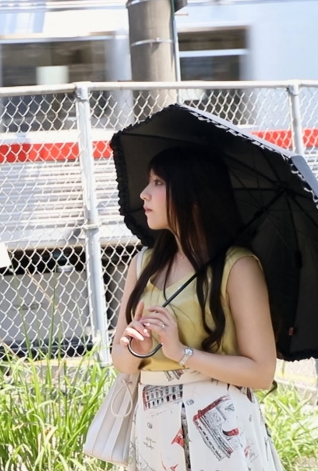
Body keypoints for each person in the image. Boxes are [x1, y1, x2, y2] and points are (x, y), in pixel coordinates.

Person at [110, 146, 284, 471]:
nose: (144, 193)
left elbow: (261, 373)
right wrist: (137, 350)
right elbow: (120, 359)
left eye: (158, 182)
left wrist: (181, 353)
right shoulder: (143, 263)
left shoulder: (238, 267)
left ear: (192, 194)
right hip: (154, 427)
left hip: (219, 426)